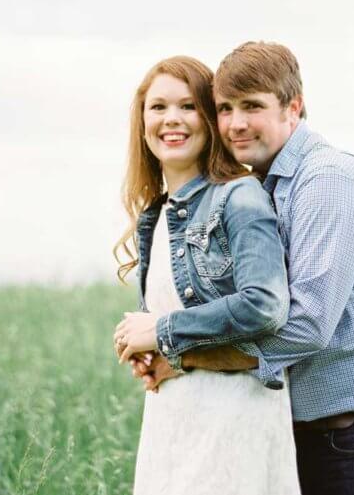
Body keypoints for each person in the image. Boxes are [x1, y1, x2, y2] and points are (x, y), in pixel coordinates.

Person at [134, 42, 354, 495]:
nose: (237, 123)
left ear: (293, 107)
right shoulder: (264, 189)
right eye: (225, 108)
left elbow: (305, 326)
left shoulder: (327, 181)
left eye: (253, 106)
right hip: (314, 437)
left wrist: (183, 354)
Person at [111, 55, 302, 495]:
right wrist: (152, 351)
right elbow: (187, 335)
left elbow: (264, 305)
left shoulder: (240, 197)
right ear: (142, 123)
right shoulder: (154, 218)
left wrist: (160, 331)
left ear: (210, 119)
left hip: (234, 424)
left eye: (188, 106)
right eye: (158, 107)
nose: (171, 119)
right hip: (171, 423)